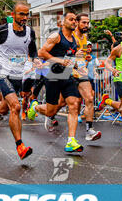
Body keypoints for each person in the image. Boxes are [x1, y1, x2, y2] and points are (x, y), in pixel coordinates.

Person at [0, 2, 38, 160]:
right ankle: (20, 146)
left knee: (3, 109)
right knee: (16, 106)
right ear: (13, 15)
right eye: (21, 14)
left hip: (17, 75)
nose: (25, 17)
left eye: (27, 14)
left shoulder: (29, 32)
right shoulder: (3, 30)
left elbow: (32, 48)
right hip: (1, 73)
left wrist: (35, 60)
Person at [29, 12, 85, 153]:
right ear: (62, 22)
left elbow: (69, 57)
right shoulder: (56, 36)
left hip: (66, 76)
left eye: (75, 20)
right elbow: (41, 52)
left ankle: (71, 141)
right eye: (71, 19)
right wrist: (59, 60)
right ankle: (35, 107)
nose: (74, 22)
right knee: (51, 111)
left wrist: (77, 63)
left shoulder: (75, 41)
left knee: (74, 103)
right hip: (52, 76)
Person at [71, 13, 102, 141]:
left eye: (88, 23)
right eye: (83, 22)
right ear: (77, 23)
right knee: (59, 105)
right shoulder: (70, 36)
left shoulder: (84, 37)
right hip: (68, 73)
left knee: (89, 98)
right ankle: (44, 112)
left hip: (81, 73)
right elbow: (64, 55)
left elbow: (82, 56)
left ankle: (89, 130)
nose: (86, 25)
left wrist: (87, 60)